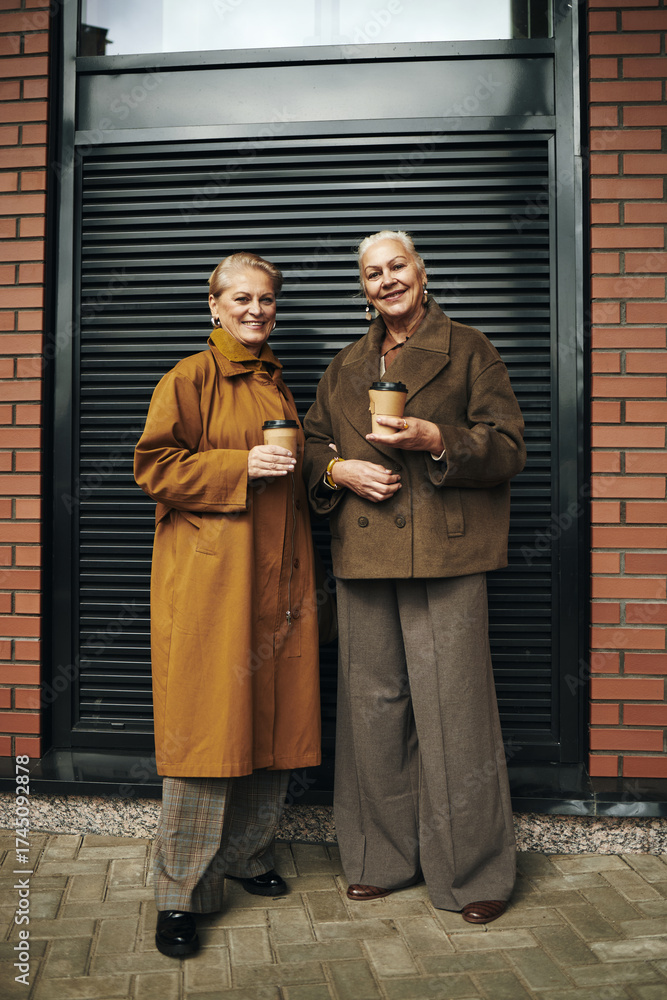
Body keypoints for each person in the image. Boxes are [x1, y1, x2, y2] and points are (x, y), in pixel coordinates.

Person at [303, 230, 525, 924]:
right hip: (364, 556)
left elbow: (509, 446)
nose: (385, 280)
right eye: (371, 272)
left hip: (446, 554)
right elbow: (310, 443)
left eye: (395, 266)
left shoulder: (469, 347)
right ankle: (378, 859)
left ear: (421, 273)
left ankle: (472, 876)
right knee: (371, 712)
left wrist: (436, 440)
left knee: (455, 713)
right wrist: (337, 470)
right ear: (363, 287)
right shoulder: (344, 366)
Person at [134, 252, 321, 957]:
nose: (255, 310)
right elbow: (153, 465)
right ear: (212, 305)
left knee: (270, 728)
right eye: (240, 298)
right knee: (207, 733)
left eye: (266, 299)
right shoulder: (191, 376)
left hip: (276, 583)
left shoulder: (274, 381)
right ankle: (178, 895)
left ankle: (243, 857)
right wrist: (237, 464)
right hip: (216, 585)